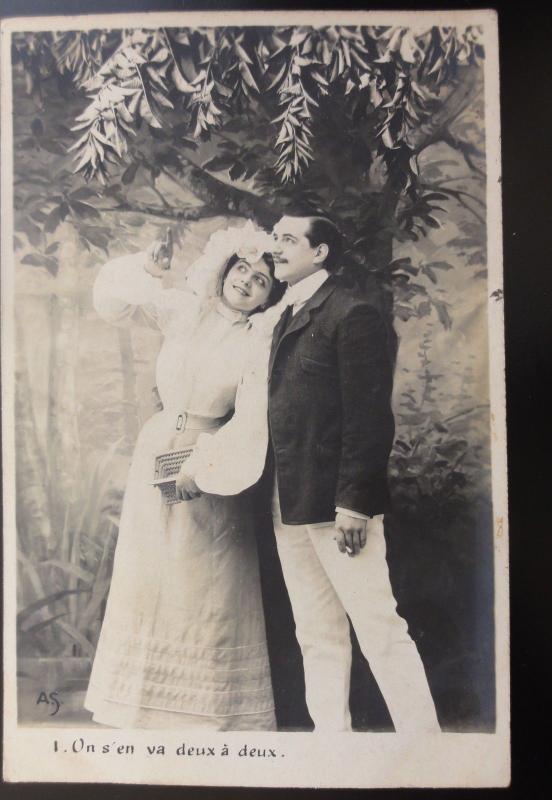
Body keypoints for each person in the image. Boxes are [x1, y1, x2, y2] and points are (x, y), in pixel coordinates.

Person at [179, 213, 440, 734]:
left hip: (339, 507)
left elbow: (369, 417)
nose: (275, 248)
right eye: (274, 237)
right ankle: (332, 746)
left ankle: (427, 748)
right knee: (316, 632)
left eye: (288, 239)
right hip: (287, 502)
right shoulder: (278, 317)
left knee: (378, 626)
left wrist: (354, 503)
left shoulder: (351, 313)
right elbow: (260, 412)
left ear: (320, 254)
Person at [84, 222, 285, 731]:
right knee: (149, 573)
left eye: (261, 280)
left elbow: (251, 417)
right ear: (224, 268)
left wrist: (204, 468)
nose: (246, 282)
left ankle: (210, 709)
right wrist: (147, 268)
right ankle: (137, 703)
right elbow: (114, 305)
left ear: (268, 297)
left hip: (209, 459)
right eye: (242, 268)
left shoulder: (258, 342)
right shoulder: (186, 313)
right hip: (157, 447)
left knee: (205, 580)